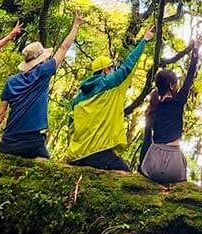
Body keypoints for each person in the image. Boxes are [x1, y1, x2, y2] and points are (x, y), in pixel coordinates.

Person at [0, 12, 84, 160]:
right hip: (32, 143)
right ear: (41, 60)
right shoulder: (44, 73)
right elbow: (63, 48)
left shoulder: (11, 81)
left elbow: (0, 113)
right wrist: (76, 25)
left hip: (7, 142)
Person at [66, 24, 154, 171]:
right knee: (125, 176)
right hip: (99, 152)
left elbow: (70, 127)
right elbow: (127, 66)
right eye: (112, 68)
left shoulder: (77, 99)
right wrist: (144, 40)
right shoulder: (109, 83)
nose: (113, 70)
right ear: (106, 70)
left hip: (77, 155)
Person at [139, 40, 200, 184]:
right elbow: (189, 78)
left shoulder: (152, 109)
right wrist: (195, 51)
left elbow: (146, 141)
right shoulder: (178, 102)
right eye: (176, 83)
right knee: (181, 169)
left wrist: (141, 168)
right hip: (174, 165)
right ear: (172, 86)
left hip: (153, 162)